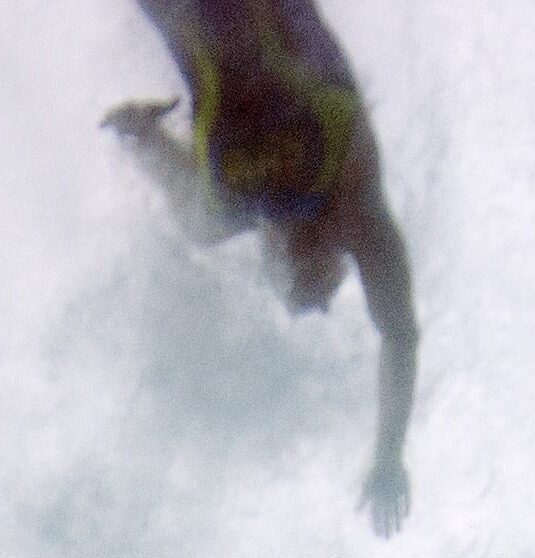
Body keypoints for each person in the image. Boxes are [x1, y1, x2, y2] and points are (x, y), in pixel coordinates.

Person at [105, 0, 421, 531]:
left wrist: (142, 133)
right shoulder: (357, 214)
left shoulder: (220, 212)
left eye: (291, 279)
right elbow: (400, 336)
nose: (299, 262)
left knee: (199, 223)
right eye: (318, 277)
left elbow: (168, 169)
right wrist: (389, 452)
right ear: (336, 260)